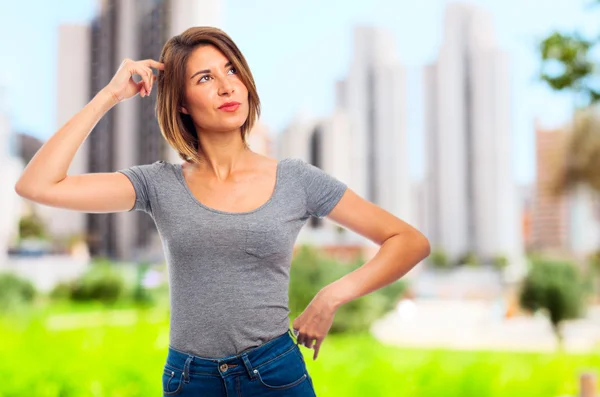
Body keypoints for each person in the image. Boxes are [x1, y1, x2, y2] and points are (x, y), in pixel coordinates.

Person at [14, 26, 431, 396]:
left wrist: (332, 295)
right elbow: (37, 185)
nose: (227, 87)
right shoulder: (157, 184)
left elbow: (409, 241)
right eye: (205, 78)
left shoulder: (296, 179)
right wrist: (109, 95)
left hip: (274, 374)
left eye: (231, 71)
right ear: (180, 103)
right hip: (189, 381)